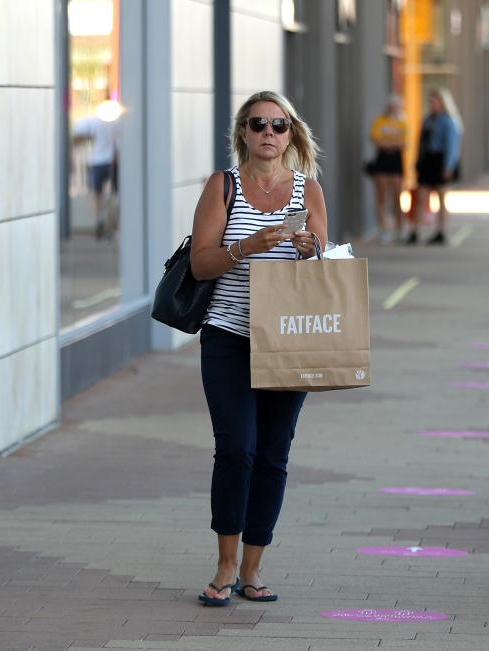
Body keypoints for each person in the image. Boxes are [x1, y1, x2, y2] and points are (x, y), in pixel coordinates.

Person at [189, 90, 327, 606]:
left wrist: (310, 248)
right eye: (258, 124)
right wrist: (247, 246)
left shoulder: (308, 190)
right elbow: (200, 264)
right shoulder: (222, 187)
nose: (268, 133)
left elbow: (321, 264)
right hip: (228, 335)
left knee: (273, 454)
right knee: (236, 449)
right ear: (242, 134)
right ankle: (224, 566)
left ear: (291, 133)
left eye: (278, 125)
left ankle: (253, 568)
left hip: (289, 338)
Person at [407, 89, 461, 245]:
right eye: (430, 101)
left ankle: (441, 231)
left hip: (440, 160)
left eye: (435, 101)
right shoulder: (427, 120)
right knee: (420, 197)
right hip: (427, 161)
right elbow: (421, 143)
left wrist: (448, 166)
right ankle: (414, 231)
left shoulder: (448, 121)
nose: (432, 104)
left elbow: (451, 145)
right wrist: (418, 161)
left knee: (442, 198)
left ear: (442, 103)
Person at [73, 100, 120, 239]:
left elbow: (76, 134)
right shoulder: (117, 122)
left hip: (97, 161)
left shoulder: (93, 121)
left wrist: (88, 139)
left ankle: (100, 218)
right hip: (113, 161)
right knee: (115, 194)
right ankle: (111, 224)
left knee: (96, 193)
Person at [367, 96, 407, 244]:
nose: (394, 108)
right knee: (382, 197)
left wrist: (387, 142)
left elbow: (404, 143)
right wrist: (392, 143)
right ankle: (384, 229)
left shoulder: (403, 122)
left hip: (396, 161)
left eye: (397, 106)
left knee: (397, 196)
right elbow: (377, 141)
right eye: (392, 106)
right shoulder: (379, 121)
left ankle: (400, 228)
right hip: (382, 161)